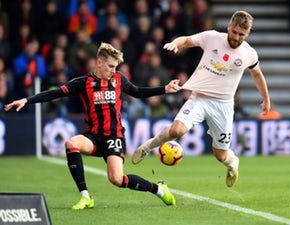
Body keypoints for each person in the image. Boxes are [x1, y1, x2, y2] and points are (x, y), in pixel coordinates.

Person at [5, 42, 180, 209]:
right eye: (110, 66)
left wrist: (165, 89)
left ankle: (158, 189)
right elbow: (54, 94)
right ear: (99, 62)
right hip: (93, 137)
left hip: (114, 136)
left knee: (117, 179)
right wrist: (26, 100)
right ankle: (86, 196)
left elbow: (137, 92)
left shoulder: (118, 79)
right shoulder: (83, 83)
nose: (113, 71)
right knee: (71, 144)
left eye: (115, 67)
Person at [132, 11, 271, 188]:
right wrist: (176, 43)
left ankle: (233, 163)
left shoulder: (249, 53)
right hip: (199, 98)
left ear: (248, 33)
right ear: (229, 26)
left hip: (223, 105)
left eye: (241, 34)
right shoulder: (212, 37)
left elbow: (257, 75)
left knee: (220, 154)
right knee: (176, 131)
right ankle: (146, 147)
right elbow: (187, 40)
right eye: (234, 31)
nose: (236, 37)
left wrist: (266, 99)